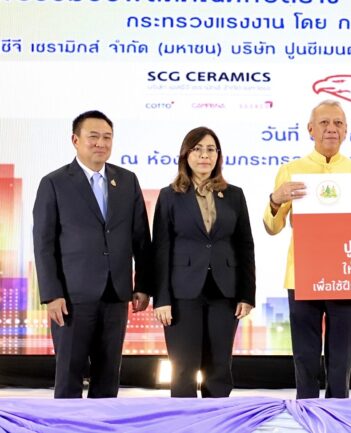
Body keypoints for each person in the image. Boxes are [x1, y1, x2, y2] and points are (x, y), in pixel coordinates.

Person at [33, 110, 151, 398]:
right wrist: (51, 294)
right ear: (75, 140)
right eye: (93, 136)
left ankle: (102, 421)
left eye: (107, 137)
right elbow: (44, 244)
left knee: (108, 375)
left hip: (116, 294)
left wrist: (143, 285)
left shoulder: (127, 180)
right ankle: (66, 422)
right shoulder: (54, 182)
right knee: (69, 374)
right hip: (71, 297)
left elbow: (140, 238)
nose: (101, 143)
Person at [263, 100, 351, 399]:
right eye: (324, 123)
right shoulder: (291, 170)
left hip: (345, 275)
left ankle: (337, 412)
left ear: (346, 130)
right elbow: (272, 227)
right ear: (310, 129)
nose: (331, 129)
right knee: (305, 355)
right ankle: (307, 410)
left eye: (338, 123)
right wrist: (275, 200)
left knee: (341, 357)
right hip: (302, 275)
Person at [152, 126, 255, 398]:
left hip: (225, 291)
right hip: (182, 293)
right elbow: (160, 250)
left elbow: (245, 246)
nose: (204, 156)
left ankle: (218, 418)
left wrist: (247, 295)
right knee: (183, 368)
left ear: (218, 156)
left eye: (210, 150)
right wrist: (161, 299)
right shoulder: (169, 195)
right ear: (186, 155)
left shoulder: (234, 195)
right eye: (197, 149)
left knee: (219, 367)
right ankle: (186, 419)